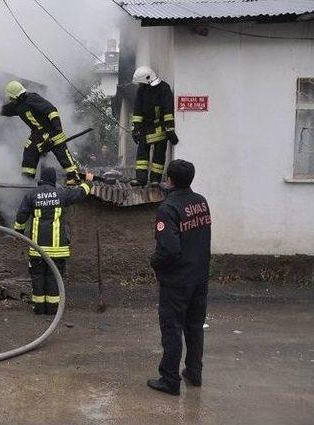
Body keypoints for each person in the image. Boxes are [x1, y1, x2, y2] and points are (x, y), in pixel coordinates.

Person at [147, 159, 211, 395]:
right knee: (194, 326)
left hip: (177, 281)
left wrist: (155, 263)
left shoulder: (168, 208)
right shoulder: (201, 202)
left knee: (172, 328)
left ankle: (170, 379)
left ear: (170, 180)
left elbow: (169, 250)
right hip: (200, 277)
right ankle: (194, 373)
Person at [13, 166, 94, 315]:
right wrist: (88, 182)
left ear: (41, 179)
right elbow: (80, 193)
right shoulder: (61, 193)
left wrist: (18, 233)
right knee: (54, 278)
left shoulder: (31, 195)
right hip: (58, 249)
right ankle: (52, 309)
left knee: (38, 277)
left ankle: (39, 308)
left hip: (37, 249)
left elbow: (21, 217)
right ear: (53, 180)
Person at [1, 81, 80, 185]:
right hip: (37, 134)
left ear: (16, 96)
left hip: (52, 131)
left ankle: (73, 177)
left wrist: (56, 130)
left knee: (61, 153)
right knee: (29, 151)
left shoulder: (33, 98)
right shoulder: (17, 106)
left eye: (11, 98)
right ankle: (26, 181)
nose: (11, 100)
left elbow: (52, 111)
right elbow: (4, 110)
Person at [131, 66, 179, 187]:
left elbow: (168, 110)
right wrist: (135, 128)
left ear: (148, 79)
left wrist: (169, 129)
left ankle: (155, 180)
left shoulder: (164, 89)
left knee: (158, 155)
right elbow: (137, 111)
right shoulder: (141, 91)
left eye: (142, 83)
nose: (140, 86)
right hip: (145, 128)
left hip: (161, 128)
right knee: (142, 156)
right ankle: (141, 179)